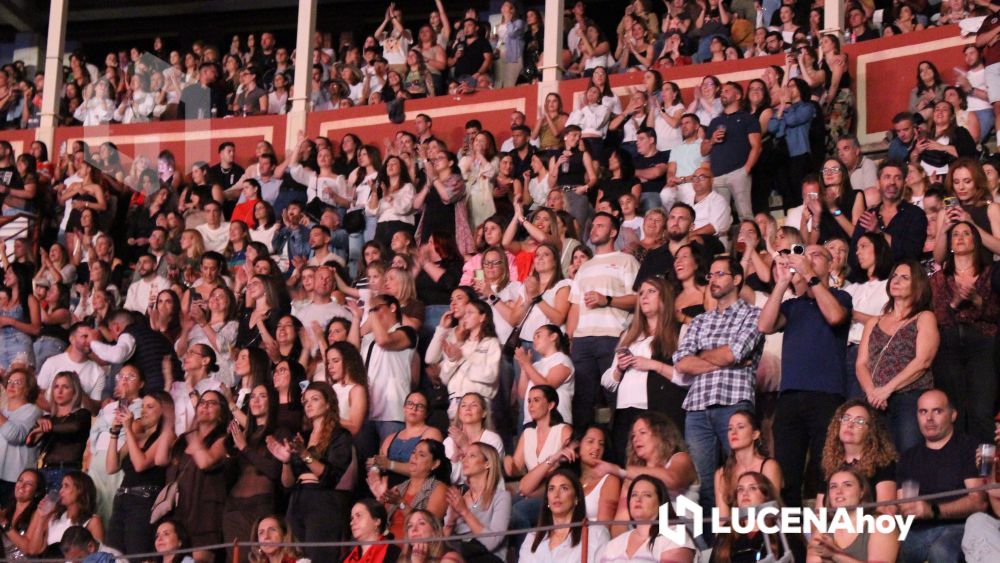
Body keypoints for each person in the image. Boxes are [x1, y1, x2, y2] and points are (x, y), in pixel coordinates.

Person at [760, 244, 852, 507]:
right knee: (787, 476)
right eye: (804, 255)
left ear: (829, 264)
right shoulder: (792, 306)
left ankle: (830, 537)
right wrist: (782, 282)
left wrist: (809, 274)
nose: (806, 259)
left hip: (826, 395)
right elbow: (764, 325)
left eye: (815, 255)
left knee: (828, 471)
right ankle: (792, 545)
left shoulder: (840, 297)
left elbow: (835, 317)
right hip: (789, 397)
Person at [674, 255, 763, 511]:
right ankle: (713, 548)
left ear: (736, 279)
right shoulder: (700, 320)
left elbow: (733, 352)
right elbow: (682, 362)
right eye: (710, 275)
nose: (712, 280)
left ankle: (744, 540)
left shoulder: (752, 315)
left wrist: (711, 358)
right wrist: (727, 360)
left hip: (733, 404)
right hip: (698, 407)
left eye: (719, 274)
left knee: (742, 480)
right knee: (702, 487)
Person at [896, 389, 987, 563]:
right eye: (923, 412)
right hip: (917, 531)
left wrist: (933, 510)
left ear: (952, 415)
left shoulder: (969, 447)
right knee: (897, 550)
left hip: (960, 526)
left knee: (942, 551)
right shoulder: (908, 457)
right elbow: (902, 505)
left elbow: (979, 502)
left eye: (937, 411)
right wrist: (901, 509)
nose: (929, 418)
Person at [856, 259, 938, 453]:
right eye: (894, 276)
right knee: (875, 457)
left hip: (909, 397)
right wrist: (872, 392)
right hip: (875, 399)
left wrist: (887, 390)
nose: (896, 280)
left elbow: (923, 361)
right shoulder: (874, 322)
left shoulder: (924, 317)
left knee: (908, 454)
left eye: (904, 277)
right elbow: (861, 364)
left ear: (917, 284)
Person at [602, 277, 686, 462]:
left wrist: (653, 365)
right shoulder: (629, 334)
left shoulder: (679, 331)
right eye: (641, 293)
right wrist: (619, 369)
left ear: (664, 297)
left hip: (656, 410)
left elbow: (686, 378)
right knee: (626, 465)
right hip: (625, 411)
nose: (644, 297)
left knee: (657, 465)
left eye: (651, 291)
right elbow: (607, 381)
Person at [267, 382, 354, 562]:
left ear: (328, 404)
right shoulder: (303, 437)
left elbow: (330, 476)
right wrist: (286, 462)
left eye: (315, 399)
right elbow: (288, 484)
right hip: (297, 500)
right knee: (295, 557)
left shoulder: (340, 436)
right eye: (306, 401)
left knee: (318, 557)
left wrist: (304, 454)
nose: (308, 404)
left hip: (323, 502)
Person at [568, 212, 638, 428]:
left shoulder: (626, 261)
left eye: (601, 225)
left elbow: (637, 298)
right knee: (583, 402)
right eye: (594, 225)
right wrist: (571, 338)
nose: (594, 229)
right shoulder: (585, 267)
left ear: (613, 232)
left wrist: (606, 300)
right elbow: (575, 305)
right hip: (582, 341)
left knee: (614, 398)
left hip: (612, 338)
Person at [930, 221, 999, 443]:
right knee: (953, 411)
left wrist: (978, 301)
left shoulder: (990, 274)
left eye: (966, 233)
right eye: (955, 234)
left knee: (981, 410)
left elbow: (996, 315)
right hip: (948, 348)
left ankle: (985, 471)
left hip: (982, 346)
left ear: (975, 241)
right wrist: (957, 301)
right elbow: (937, 317)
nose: (960, 237)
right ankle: (959, 468)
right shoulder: (939, 279)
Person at [105, 390, 175, 557]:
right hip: (122, 499)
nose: (143, 411)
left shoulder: (167, 435)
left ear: (163, 411)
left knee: (136, 554)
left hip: (143, 501)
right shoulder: (136, 437)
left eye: (150, 407)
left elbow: (140, 464)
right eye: (142, 406)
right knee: (113, 555)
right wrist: (114, 433)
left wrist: (128, 429)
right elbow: (111, 467)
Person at [222, 384, 281, 562]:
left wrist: (245, 448)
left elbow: (274, 470)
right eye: (253, 396)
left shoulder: (279, 431)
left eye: (262, 396)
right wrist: (230, 449)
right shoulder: (245, 435)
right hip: (233, 507)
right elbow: (230, 476)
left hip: (260, 508)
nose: (256, 400)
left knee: (257, 558)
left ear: (272, 402)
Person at [807, 468, 901, 562]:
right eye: (833, 487)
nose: (839, 491)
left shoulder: (882, 524)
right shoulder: (822, 530)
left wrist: (836, 554)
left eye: (847, 485)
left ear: (861, 492)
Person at [818, 400, 899, 509]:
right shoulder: (829, 464)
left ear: (870, 431)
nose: (850, 425)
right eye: (846, 418)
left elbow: (885, 513)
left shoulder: (883, 463)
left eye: (859, 421)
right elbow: (818, 515)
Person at [595, 475, 695, 562]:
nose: (638, 499)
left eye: (647, 495)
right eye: (634, 495)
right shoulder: (614, 544)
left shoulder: (676, 535)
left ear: (660, 503)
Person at [367, 438, 449, 540]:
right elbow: (378, 523)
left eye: (421, 455)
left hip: (415, 548)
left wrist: (401, 503)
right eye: (413, 452)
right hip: (388, 545)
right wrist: (379, 500)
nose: (414, 456)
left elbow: (428, 525)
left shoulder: (439, 488)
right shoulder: (399, 488)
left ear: (435, 464)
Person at [519, 468, 610, 562]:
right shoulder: (532, 538)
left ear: (576, 498)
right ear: (547, 499)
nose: (556, 495)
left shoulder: (596, 533)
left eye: (564, 488)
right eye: (551, 489)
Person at [702, 81, 761, 221]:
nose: (722, 93)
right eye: (721, 92)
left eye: (727, 91)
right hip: (717, 176)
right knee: (720, 219)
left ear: (738, 95)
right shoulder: (715, 122)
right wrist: (712, 141)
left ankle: (750, 242)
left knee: (745, 215)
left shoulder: (748, 118)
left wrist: (745, 170)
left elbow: (757, 146)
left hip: (738, 173)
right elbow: (703, 151)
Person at [443, 442, 511, 560]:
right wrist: (451, 522)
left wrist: (465, 512)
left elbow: (491, 542)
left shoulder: (501, 497)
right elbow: (443, 545)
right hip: (459, 556)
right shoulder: (459, 498)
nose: (464, 460)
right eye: (464, 456)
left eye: (472, 456)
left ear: (487, 464)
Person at [851, 160, 928, 262]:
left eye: (898, 178)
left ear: (904, 184)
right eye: (887, 177)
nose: (892, 182)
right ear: (878, 184)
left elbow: (912, 253)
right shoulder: (867, 217)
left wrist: (878, 232)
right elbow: (853, 258)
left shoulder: (916, 215)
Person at [438, 299, 502, 419]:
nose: (464, 317)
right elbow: (444, 378)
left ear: (482, 317)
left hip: (478, 402)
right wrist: (452, 360)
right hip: (455, 402)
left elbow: (490, 375)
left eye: (470, 313)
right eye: (465, 313)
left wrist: (462, 360)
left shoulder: (491, 343)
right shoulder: (460, 344)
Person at [714, 410, 782, 520]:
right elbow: (722, 520)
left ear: (755, 434)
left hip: (764, 531)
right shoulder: (722, 473)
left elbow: (771, 512)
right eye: (730, 428)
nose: (733, 432)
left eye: (740, 427)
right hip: (735, 533)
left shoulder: (769, 466)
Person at [367, 391, 443, 487]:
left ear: (426, 413)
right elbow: (380, 463)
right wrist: (375, 468)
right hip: (387, 490)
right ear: (404, 408)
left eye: (420, 406)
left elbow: (422, 468)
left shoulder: (432, 433)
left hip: (416, 491)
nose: (414, 408)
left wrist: (390, 464)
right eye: (410, 404)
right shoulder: (390, 438)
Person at [0, 369, 43, 506]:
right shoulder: (3, 412)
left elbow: (15, 435)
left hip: (15, 479)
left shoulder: (32, 411)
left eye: (17, 382)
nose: (11, 385)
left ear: (28, 388)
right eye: (10, 382)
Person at [0, 468, 45, 560]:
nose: (22, 486)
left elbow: (28, 548)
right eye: (20, 481)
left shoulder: (38, 513)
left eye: (29, 484)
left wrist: (4, 523)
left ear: (37, 492)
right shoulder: (5, 511)